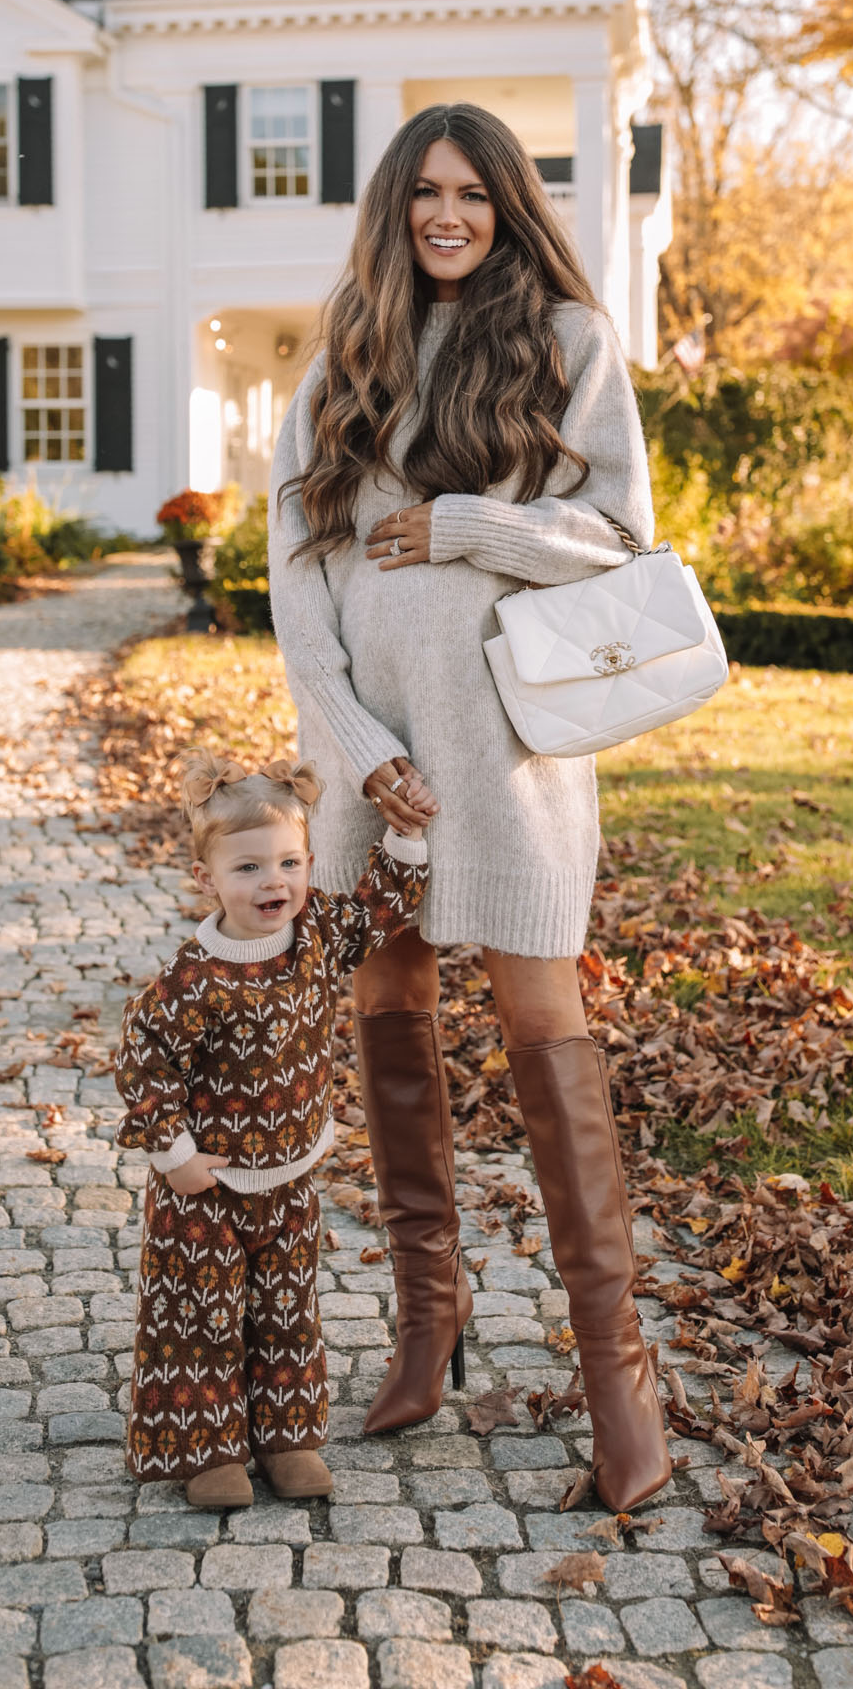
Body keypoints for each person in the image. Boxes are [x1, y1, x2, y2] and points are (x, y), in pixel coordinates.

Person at [268, 102, 671, 1514]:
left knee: (543, 1023)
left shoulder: (566, 341)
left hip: (508, 760)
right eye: (425, 193)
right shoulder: (342, 358)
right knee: (389, 1013)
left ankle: (618, 1380)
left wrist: (465, 526)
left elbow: (625, 539)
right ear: (396, 204)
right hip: (378, 767)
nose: (448, 216)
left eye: (473, 195)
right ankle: (425, 1323)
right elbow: (299, 584)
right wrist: (355, 748)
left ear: (508, 205)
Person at [113, 752, 430, 1508]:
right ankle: (210, 1450)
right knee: (205, 1313)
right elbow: (143, 1064)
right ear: (207, 880)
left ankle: (288, 1438)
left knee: (287, 1308)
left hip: (289, 1174)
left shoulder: (318, 931)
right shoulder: (192, 981)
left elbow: (380, 911)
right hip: (206, 1184)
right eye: (249, 868)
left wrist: (405, 838)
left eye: (289, 863)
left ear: (309, 864)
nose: (273, 883)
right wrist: (175, 1154)